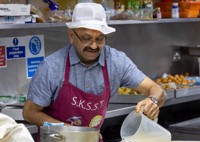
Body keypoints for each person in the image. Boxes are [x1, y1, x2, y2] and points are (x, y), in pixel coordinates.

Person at [23, 2, 166, 130]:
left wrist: (152, 100)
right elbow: (29, 113)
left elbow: (157, 90)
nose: (93, 46)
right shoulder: (51, 67)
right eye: (86, 38)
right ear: (71, 36)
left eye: (99, 39)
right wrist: (71, 131)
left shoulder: (116, 61)